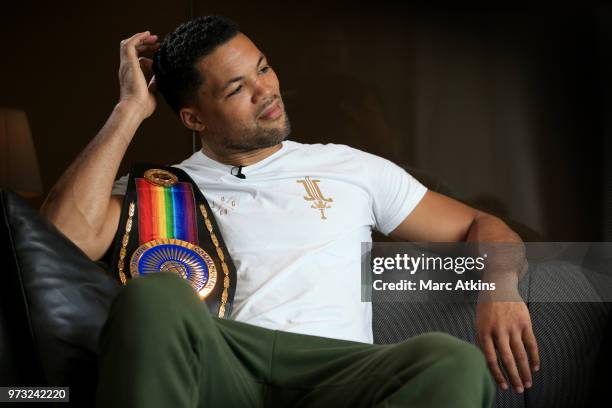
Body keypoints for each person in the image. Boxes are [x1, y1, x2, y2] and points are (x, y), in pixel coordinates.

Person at [40, 15, 539, 407]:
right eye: (237, 88)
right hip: (224, 363)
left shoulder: (350, 167)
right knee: (154, 297)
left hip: (337, 374)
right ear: (193, 118)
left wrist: (499, 287)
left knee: (452, 362)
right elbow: (60, 241)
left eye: (263, 67)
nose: (266, 90)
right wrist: (129, 110)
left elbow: (480, 224)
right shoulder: (159, 189)